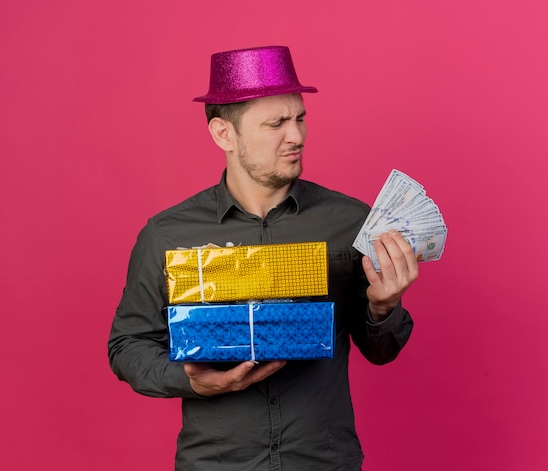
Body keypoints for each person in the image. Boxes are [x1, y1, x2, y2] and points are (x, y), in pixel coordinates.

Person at [108, 45, 418, 471]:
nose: (297, 136)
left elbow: (381, 351)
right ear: (223, 134)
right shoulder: (168, 235)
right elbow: (127, 346)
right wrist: (195, 382)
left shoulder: (351, 223)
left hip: (322, 460)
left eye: (300, 118)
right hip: (215, 463)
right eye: (276, 123)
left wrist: (384, 308)